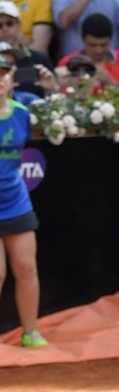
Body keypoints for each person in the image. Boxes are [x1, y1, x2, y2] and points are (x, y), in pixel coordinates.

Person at [0, 54, 45, 348]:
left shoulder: (21, 113)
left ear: (11, 80)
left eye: (4, 73)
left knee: (26, 268)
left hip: (16, 200)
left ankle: (31, 333)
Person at [57, 13, 119, 88]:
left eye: (103, 45)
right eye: (92, 45)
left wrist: (110, 82)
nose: (98, 51)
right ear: (83, 40)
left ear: (111, 41)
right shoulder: (67, 62)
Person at [0, 1, 56, 99]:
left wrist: (51, 88)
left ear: (19, 25)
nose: (4, 29)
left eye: (9, 23)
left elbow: (55, 99)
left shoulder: (39, 59)